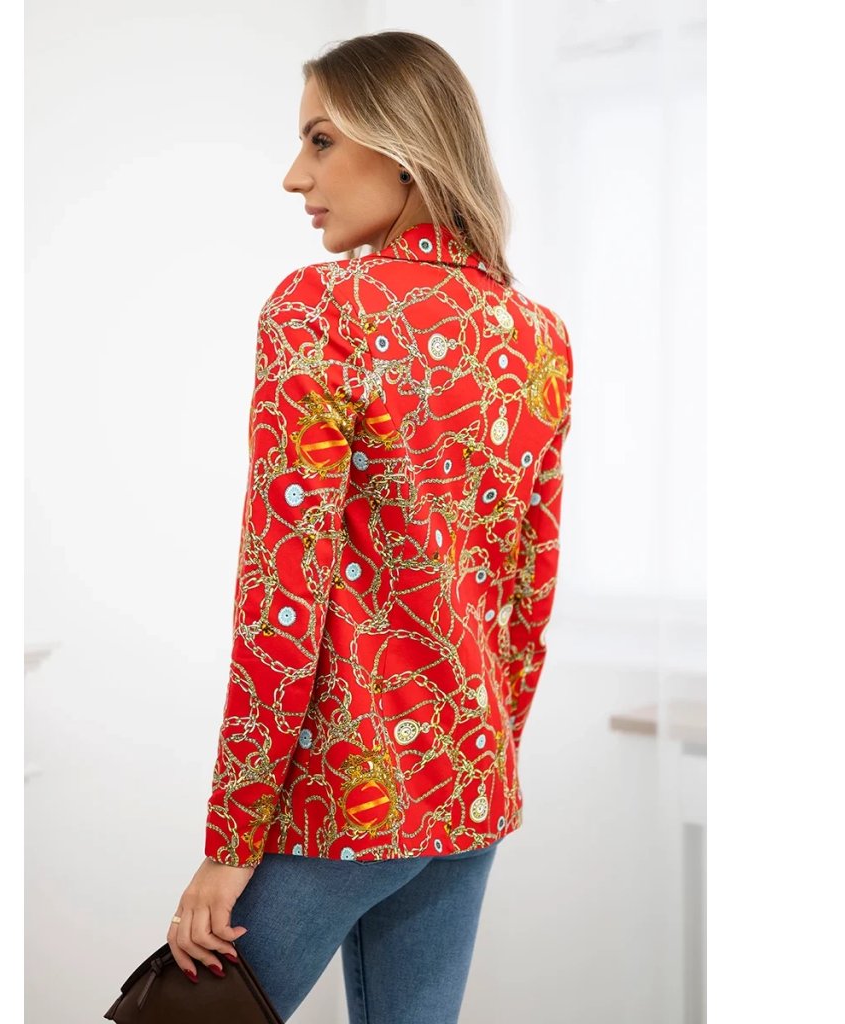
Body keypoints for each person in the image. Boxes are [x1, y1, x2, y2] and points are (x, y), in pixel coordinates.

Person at [166, 30, 574, 1023]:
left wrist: (231, 839)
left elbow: (282, 594)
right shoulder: (537, 335)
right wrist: (481, 759)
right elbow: (529, 590)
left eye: (320, 140)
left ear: (402, 148)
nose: (293, 176)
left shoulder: (321, 310)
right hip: (470, 783)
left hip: (347, 790)